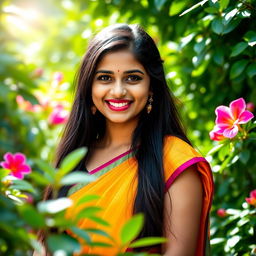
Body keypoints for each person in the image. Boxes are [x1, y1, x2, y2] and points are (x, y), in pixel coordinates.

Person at [48, 24, 213, 255]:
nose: (118, 91)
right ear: (89, 86)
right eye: (105, 78)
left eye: (132, 78)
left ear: (151, 87)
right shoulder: (73, 158)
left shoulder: (175, 162)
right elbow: (46, 245)